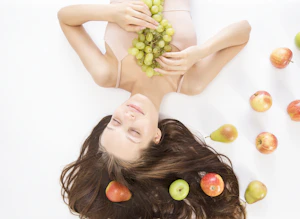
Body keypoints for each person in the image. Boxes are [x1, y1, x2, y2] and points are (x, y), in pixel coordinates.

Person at [58, 0, 251, 218]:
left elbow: (66, 18)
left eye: (116, 123)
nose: (128, 117)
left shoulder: (108, 75)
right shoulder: (190, 82)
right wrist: (200, 52)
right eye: (134, 132)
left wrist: (111, 13)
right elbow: (243, 31)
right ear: (156, 136)